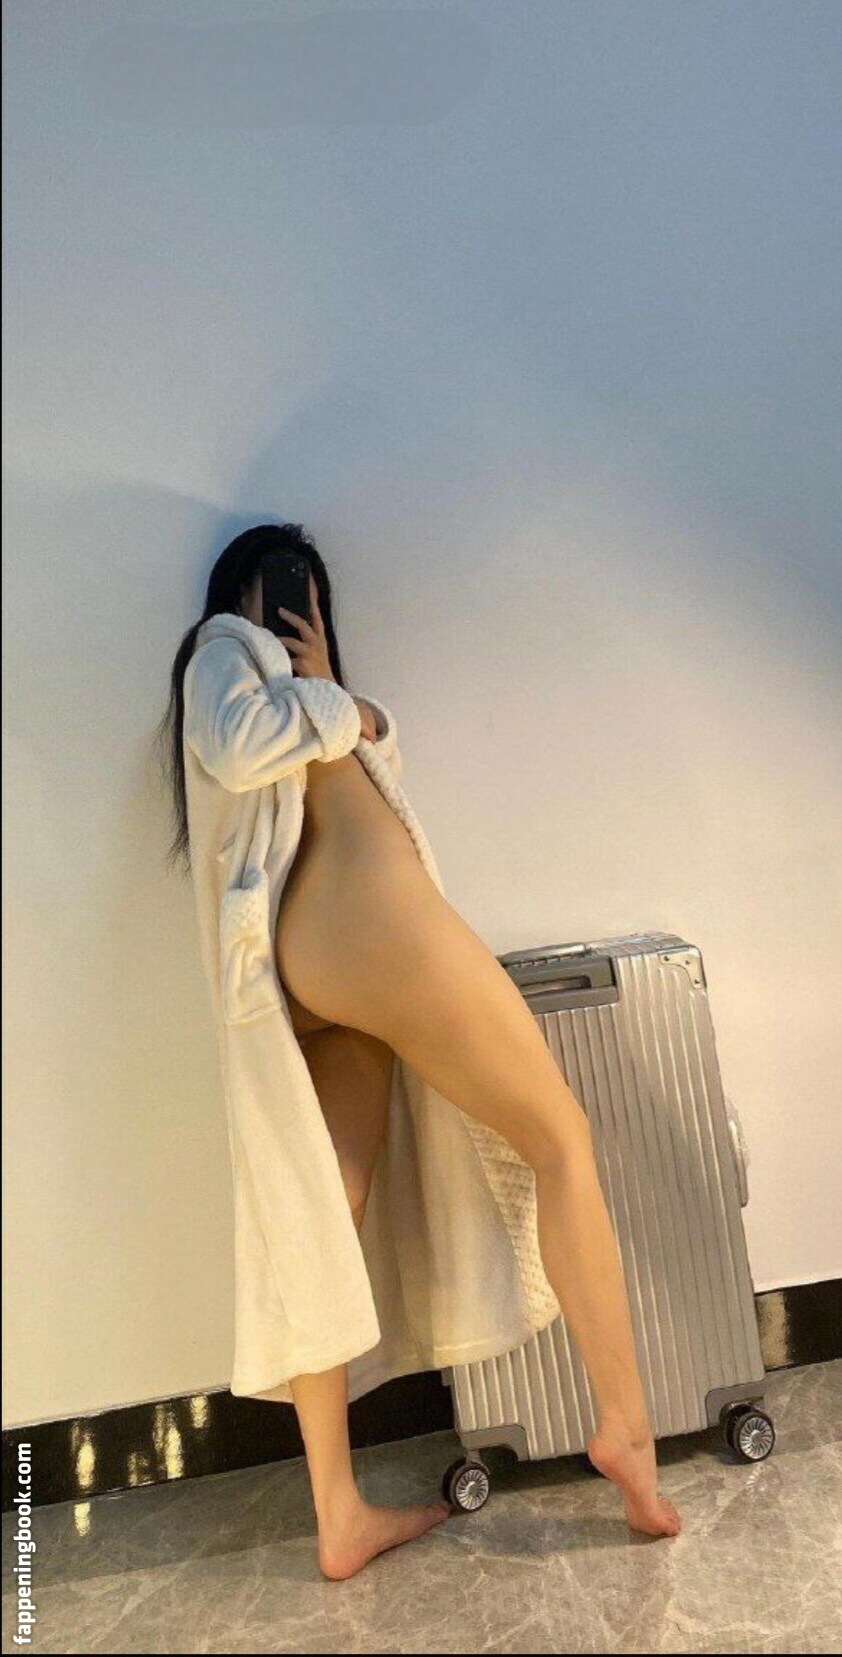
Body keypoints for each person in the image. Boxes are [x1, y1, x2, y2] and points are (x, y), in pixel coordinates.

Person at [159, 522, 680, 1580]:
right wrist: (341, 704)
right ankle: (626, 1428)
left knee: (327, 1212)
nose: (301, 612)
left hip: (335, 963)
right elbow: (239, 744)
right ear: (251, 593)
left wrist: (341, 700)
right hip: (368, 931)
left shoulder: (302, 695)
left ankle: (338, 1515)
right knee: (562, 1138)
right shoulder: (223, 649)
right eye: (287, 589)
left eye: (311, 597)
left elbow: (353, 759)